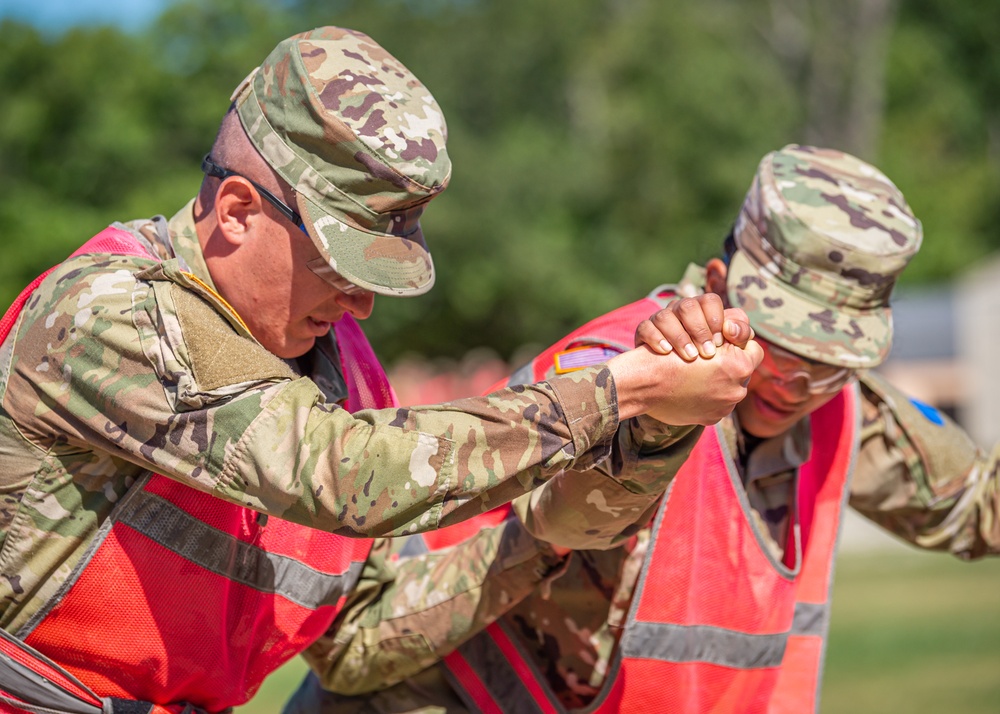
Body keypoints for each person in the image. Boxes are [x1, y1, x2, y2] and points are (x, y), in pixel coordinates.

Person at [0, 26, 763, 714]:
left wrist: (561, 519)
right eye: (339, 263)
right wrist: (622, 388)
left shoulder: (343, 372)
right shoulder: (109, 315)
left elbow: (358, 643)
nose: (361, 303)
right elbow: (340, 473)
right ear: (235, 210)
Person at [287, 145, 1000, 713]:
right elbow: (574, 512)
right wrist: (659, 410)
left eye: (832, 361)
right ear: (719, 283)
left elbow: (977, 507)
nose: (798, 381)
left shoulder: (839, 403)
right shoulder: (615, 365)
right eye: (780, 344)